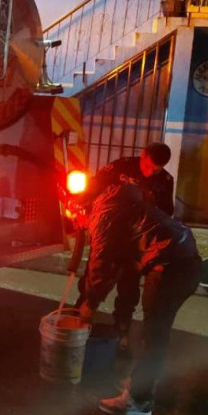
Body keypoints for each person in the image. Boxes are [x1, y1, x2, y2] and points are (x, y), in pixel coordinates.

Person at [77, 179, 201, 415]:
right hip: (184, 261)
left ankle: (138, 402)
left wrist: (89, 303)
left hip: (170, 266)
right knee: (156, 332)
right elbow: (119, 259)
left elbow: (100, 262)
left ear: (84, 207)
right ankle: (141, 384)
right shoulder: (121, 202)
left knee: (154, 335)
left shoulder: (103, 215)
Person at [74, 143, 175, 344]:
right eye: (147, 166)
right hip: (108, 232)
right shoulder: (122, 166)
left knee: (129, 285)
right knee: (95, 274)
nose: (149, 172)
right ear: (143, 155)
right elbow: (95, 186)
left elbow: (165, 212)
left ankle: (122, 328)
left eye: (155, 169)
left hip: (137, 239)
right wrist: (80, 205)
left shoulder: (164, 180)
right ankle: (79, 318)